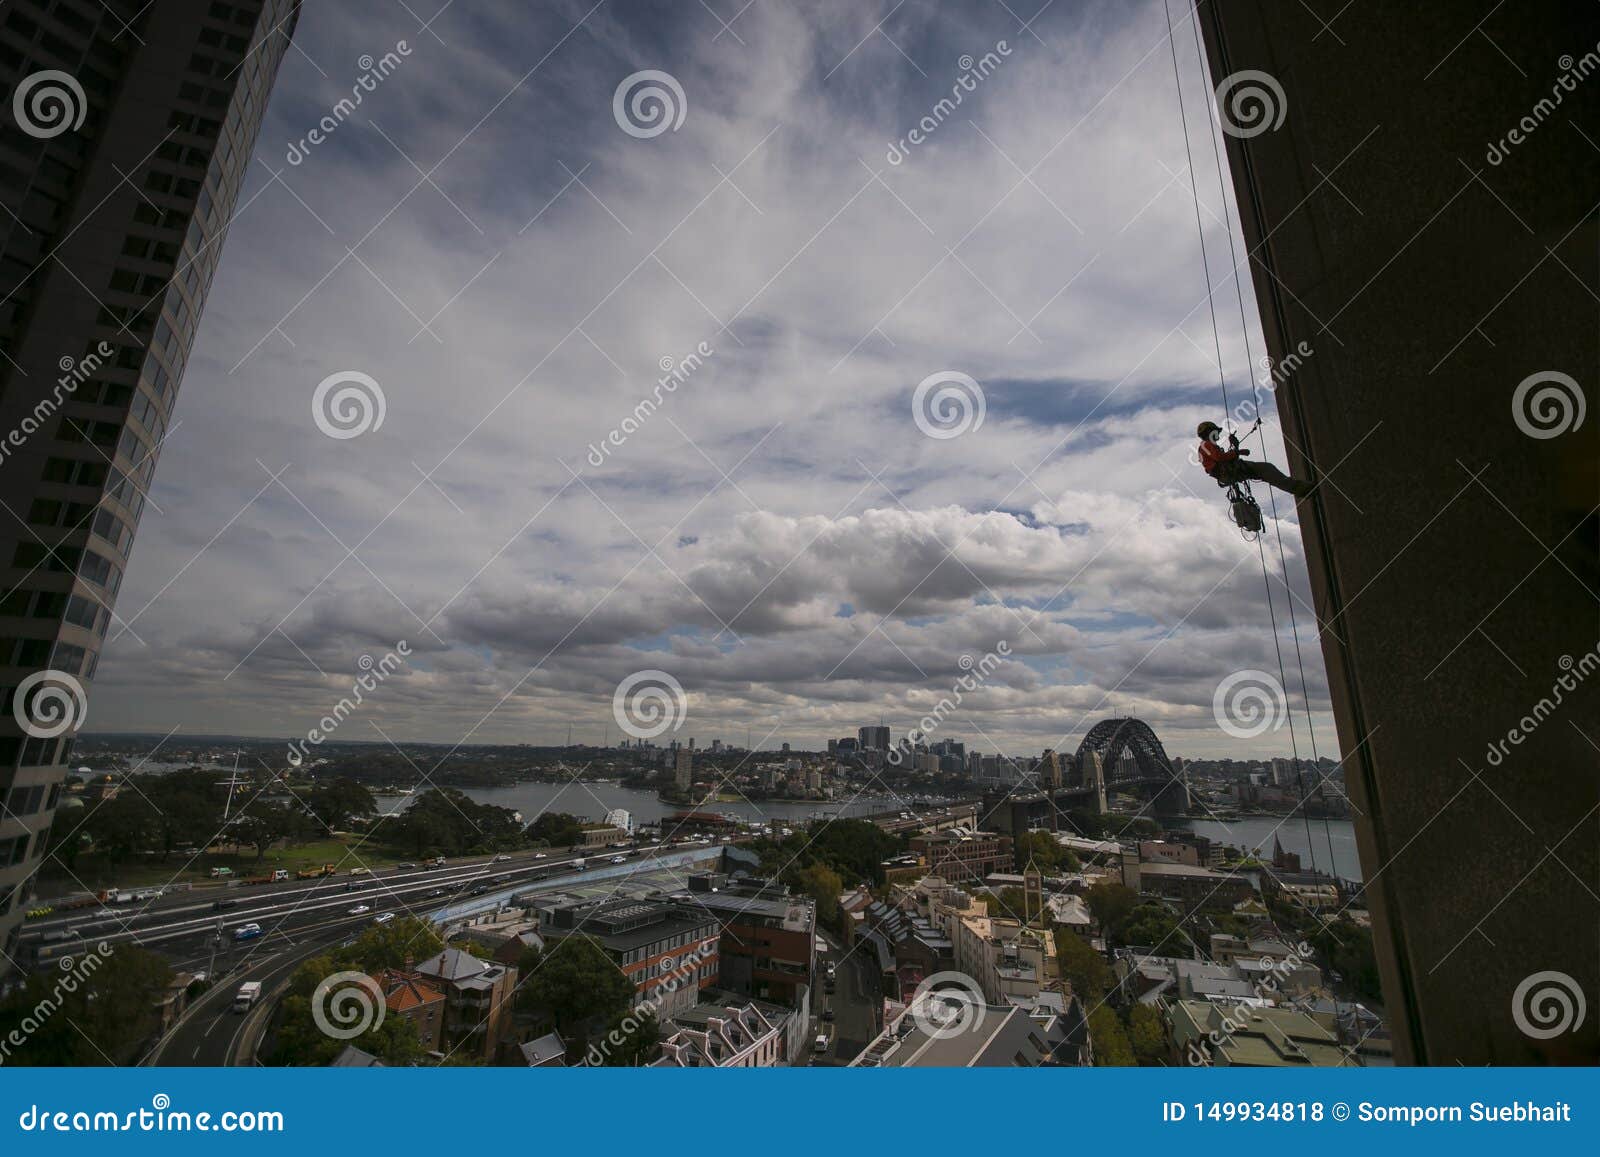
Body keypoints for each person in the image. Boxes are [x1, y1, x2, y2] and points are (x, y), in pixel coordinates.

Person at [1196, 421, 1312, 497]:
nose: (1218, 434)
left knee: (1265, 472)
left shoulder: (1207, 446)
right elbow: (1220, 458)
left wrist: (1235, 447)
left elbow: (1222, 459)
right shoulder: (1206, 445)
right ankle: (1299, 488)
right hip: (1228, 473)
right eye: (1216, 431)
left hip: (1228, 473)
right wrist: (1238, 451)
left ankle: (1298, 488)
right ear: (1209, 432)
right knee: (1266, 469)